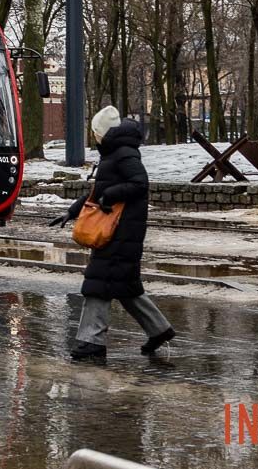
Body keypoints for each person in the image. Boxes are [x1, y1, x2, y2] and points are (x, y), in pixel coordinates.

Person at [61, 105, 175, 361]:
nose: (94, 136)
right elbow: (100, 189)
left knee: (98, 285)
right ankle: (159, 329)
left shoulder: (123, 154)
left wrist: (110, 196)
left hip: (120, 231)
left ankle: (92, 341)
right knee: (125, 287)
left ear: (103, 132)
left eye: (95, 132)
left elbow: (139, 183)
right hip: (119, 230)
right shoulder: (115, 153)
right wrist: (73, 210)